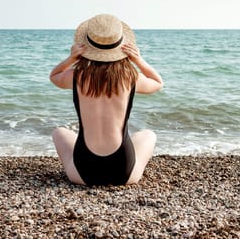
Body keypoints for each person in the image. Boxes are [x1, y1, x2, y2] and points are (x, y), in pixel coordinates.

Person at [49, 14, 163, 186]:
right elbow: (158, 83)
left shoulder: (77, 76)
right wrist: (138, 60)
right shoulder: (130, 77)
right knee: (148, 135)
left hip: (82, 175)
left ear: (87, 47)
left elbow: (54, 76)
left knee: (60, 133)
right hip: (125, 174)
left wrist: (71, 58)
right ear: (120, 47)